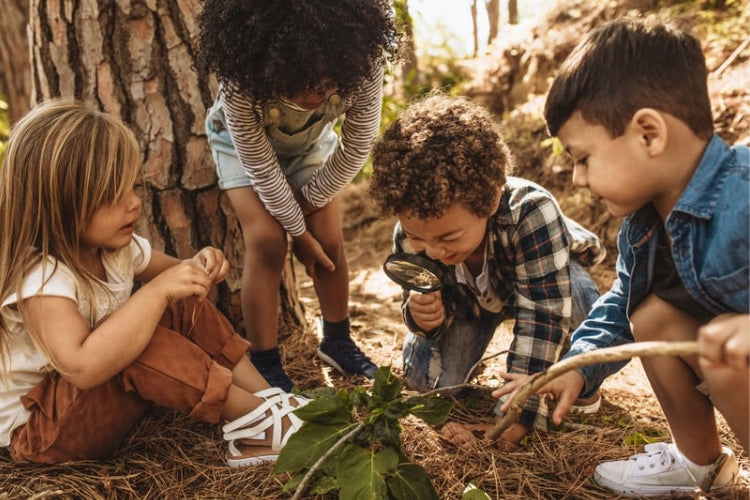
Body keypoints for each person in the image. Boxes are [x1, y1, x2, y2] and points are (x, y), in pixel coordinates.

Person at [497, 19, 748, 496]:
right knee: (650, 315)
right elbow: (617, 306)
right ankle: (698, 462)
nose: (576, 178)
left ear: (648, 134)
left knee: (727, 348)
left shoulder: (744, 192)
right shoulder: (642, 228)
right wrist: (576, 365)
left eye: (583, 157)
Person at [0, 100, 309, 467]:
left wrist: (200, 265)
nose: (133, 205)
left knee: (177, 302)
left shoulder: (116, 249)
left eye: (132, 187)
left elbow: (179, 276)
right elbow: (83, 367)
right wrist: (157, 292)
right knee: (141, 335)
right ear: (59, 205)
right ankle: (257, 423)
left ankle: (268, 400)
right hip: (41, 434)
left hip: (84, 407)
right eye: (113, 196)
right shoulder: (43, 281)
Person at [369, 93, 605, 447]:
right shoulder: (411, 234)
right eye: (420, 238)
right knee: (424, 381)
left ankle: (581, 381)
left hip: (539, 283)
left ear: (491, 199)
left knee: (581, 297)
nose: (433, 250)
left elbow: (542, 314)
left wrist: (519, 409)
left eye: (449, 236)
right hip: (468, 306)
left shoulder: (532, 212)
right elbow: (416, 301)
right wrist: (422, 318)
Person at [195, 0, 399, 391]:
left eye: (326, 86)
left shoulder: (364, 62)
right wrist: (296, 234)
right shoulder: (242, 81)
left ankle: (338, 341)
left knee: (329, 239)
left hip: (309, 147)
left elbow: (356, 148)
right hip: (241, 149)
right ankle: (266, 361)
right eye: (301, 84)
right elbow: (262, 169)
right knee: (268, 241)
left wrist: (307, 207)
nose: (315, 96)